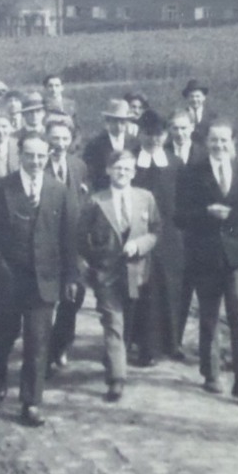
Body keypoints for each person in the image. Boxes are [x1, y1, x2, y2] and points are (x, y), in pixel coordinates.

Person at [0, 130, 81, 427]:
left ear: (48, 155)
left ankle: (31, 402)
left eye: (41, 156)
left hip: (44, 279)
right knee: (3, 334)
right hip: (9, 278)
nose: (36, 161)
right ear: (20, 155)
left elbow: (68, 238)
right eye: (29, 155)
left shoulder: (58, 190)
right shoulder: (2, 188)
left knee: (38, 342)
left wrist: (70, 276)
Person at [174, 121, 238, 402]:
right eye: (214, 141)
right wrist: (206, 212)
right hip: (205, 254)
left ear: (233, 142)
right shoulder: (192, 173)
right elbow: (178, 216)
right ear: (206, 143)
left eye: (224, 140)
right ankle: (211, 372)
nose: (219, 145)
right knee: (209, 315)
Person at [79, 150, 161, 402]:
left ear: (134, 172)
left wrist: (140, 245)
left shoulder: (145, 198)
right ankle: (117, 379)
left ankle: (114, 359)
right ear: (108, 171)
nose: (122, 173)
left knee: (126, 322)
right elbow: (81, 237)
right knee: (113, 322)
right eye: (117, 168)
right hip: (106, 273)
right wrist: (89, 265)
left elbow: (156, 230)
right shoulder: (96, 201)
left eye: (127, 169)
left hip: (136, 273)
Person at [132, 109, 191, 363]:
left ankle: (173, 342)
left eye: (159, 134)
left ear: (165, 135)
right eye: (148, 134)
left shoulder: (175, 163)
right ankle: (147, 347)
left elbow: (183, 200)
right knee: (146, 292)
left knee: (172, 289)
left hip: (170, 236)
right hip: (139, 235)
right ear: (140, 133)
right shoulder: (132, 162)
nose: (154, 139)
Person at [44, 116, 89, 372]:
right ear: (47, 139)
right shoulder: (39, 165)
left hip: (72, 245)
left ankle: (60, 343)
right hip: (45, 245)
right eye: (55, 138)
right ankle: (44, 352)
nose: (59, 144)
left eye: (64, 138)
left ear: (71, 141)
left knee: (75, 295)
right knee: (45, 301)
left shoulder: (78, 166)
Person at [82, 98, 138, 190]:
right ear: (107, 121)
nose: (119, 126)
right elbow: (90, 172)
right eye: (115, 121)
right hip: (104, 190)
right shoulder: (95, 144)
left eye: (123, 122)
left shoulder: (134, 143)